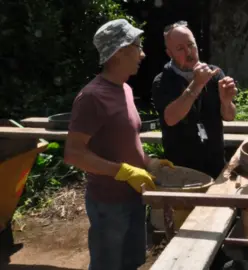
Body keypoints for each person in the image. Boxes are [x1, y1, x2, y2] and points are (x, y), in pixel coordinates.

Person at [64, 19, 174, 270]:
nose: (143, 54)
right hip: (108, 204)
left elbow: (126, 141)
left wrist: (149, 162)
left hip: (134, 197)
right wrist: (122, 171)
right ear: (120, 51)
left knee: (131, 262)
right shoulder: (92, 97)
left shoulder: (124, 89)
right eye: (138, 46)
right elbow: (73, 153)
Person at [151, 21, 237, 179]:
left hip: (216, 165)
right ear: (169, 53)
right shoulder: (162, 81)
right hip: (181, 170)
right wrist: (197, 84)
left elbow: (229, 116)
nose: (189, 52)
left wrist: (226, 102)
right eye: (180, 49)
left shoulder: (215, 74)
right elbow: (170, 118)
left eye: (191, 45)